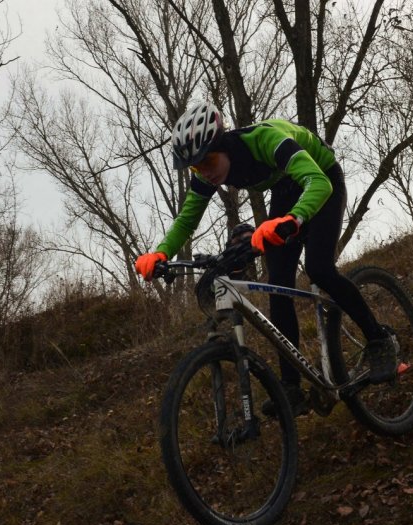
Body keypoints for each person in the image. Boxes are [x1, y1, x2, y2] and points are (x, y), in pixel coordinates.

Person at [134, 101, 398, 416]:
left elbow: (318, 183)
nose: (203, 170)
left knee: (319, 268)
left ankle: (379, 340)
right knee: (277, 285)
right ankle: (292, 388)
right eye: (195, 167)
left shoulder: (265, 140)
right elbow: (187, 220)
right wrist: (161, 252)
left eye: (207, 161)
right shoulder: (207, 174)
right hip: (287, 189)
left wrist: (294, 219)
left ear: (222, 145)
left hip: (322, 178)